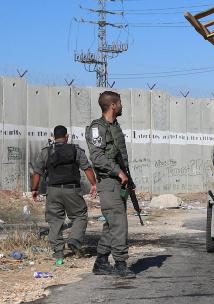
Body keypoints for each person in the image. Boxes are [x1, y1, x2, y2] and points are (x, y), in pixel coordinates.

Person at [86, 90, 135, 278]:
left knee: (111, 223)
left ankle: (101, 261)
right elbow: (97, 157)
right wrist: (118, 172)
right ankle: (121, 264)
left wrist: (127, 177)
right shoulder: (97, 128)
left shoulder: (114, 126)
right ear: (113, 105)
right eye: (119, 103)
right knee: (119, 222)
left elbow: (119, 156)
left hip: (118, 182)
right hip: (108, 181)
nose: (122, 106)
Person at [30, 125, 97, 260]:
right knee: (80, 215)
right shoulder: (76, 150)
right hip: (72, 190)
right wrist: (94, 184)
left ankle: (58, 252)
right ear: (67, 137)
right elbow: (87, 168)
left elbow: (37, 172)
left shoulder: (46, 152)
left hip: (53, 191)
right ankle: (74, 240)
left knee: (55, 220)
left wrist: (34, 189)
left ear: (54, 137)